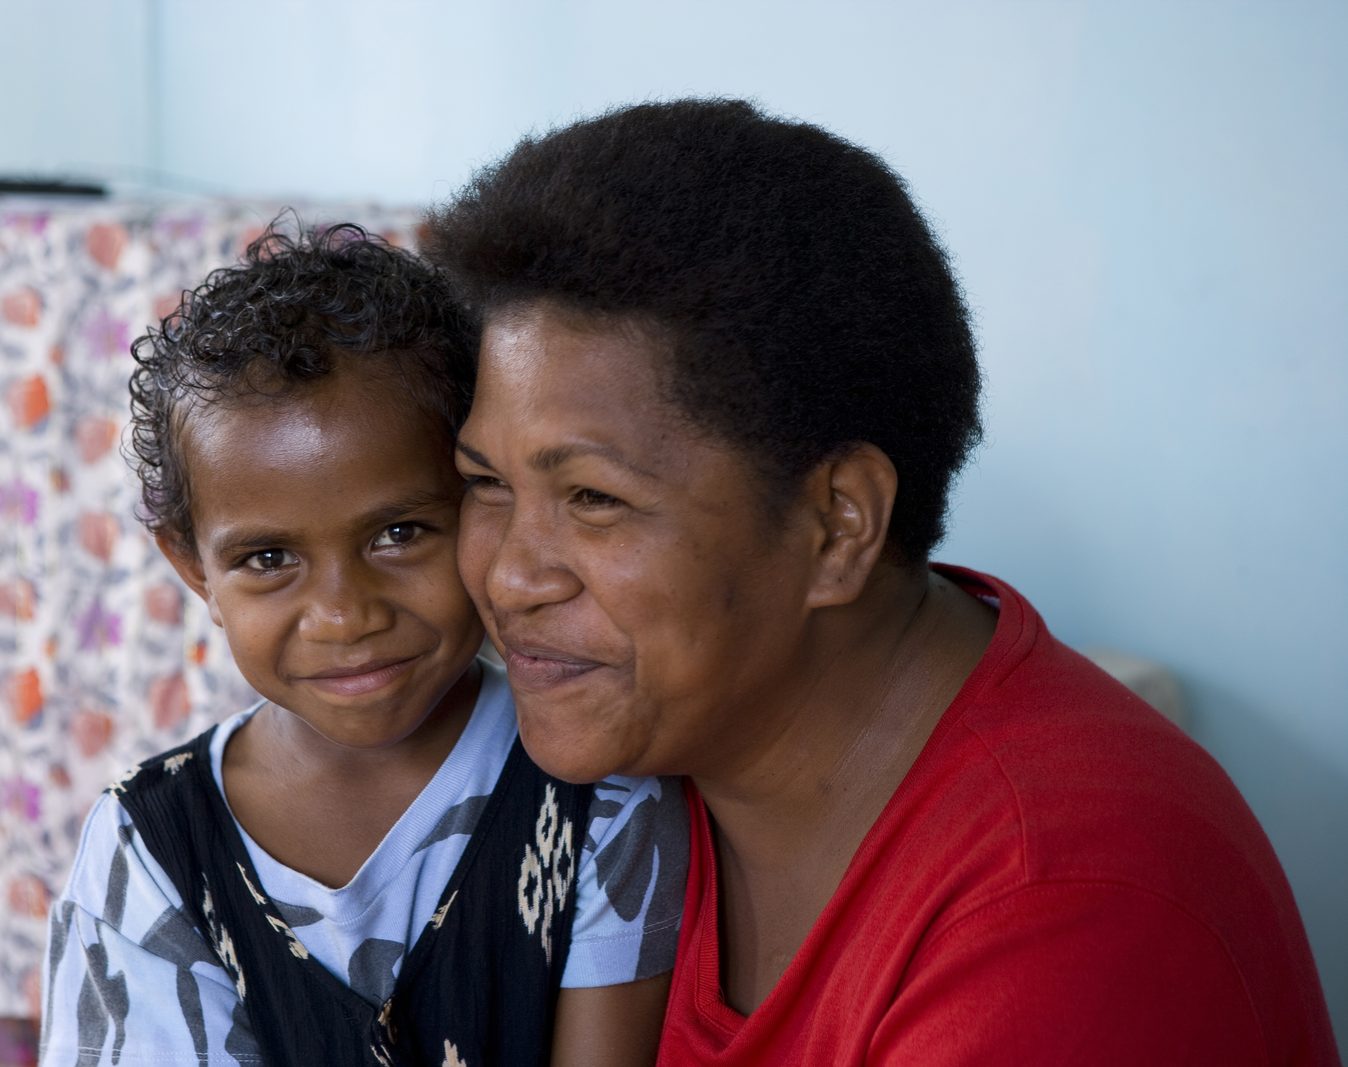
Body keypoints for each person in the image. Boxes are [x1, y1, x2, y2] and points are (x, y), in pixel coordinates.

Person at [424, 99, 1340, 1064]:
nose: (510, 576)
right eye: (485, 483)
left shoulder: (1061, 909)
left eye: (594, 498)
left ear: (837, 523)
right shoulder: (612, 781)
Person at [39, 223, 688, 1067]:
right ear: (194, 568)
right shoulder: (149, 850)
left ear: (484, 504)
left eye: (399, 532)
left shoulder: (597, 795)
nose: (343, 615)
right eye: (268, 559)